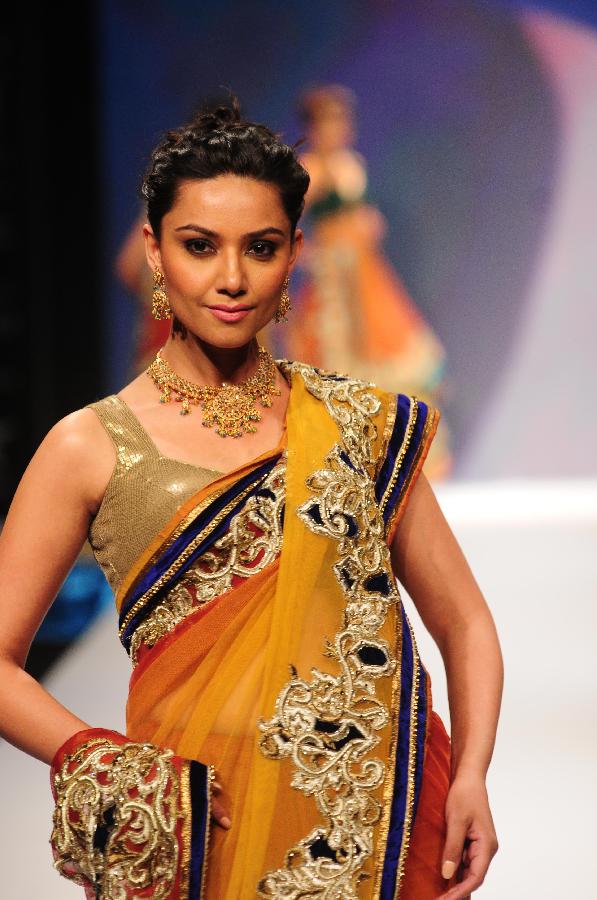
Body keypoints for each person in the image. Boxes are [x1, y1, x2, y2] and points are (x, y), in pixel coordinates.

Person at [0, 101, 501, 899]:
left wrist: (470, 772)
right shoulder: (87, 446)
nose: (231, 279)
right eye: (199, 247)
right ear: (154, 253)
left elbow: (463, 619)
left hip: (382, 822)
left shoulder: (361, 426)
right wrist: (103, 758)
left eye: (259, 248)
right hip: (192, 833)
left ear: (294, 254)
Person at [287, 84, 450, 478]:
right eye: (329, 121)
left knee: (394, 350)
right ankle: (341, 460)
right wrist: (306, 253)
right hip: (336, 281)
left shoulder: (350, 163)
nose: (338, 129)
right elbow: (286, 220)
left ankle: (400, 459)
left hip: (366, 273)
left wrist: (368, 223)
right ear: (314, 126)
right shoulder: (310, 170)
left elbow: (360, 212)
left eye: (342, 120)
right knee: (338, 358)